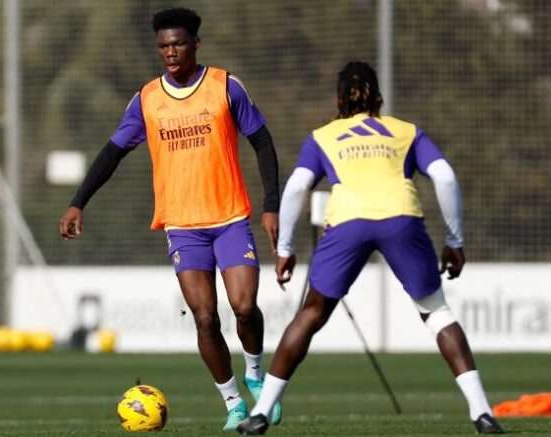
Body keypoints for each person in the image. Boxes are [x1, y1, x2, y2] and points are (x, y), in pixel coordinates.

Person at [236, 61, 504, 435]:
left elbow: (297, 187)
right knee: (437, 313)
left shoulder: (323, 136)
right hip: (402, 218)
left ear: (339, 98)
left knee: (311, 314)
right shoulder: (406, 131)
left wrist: (285, 248)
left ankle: (262, 413)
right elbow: (444, 175)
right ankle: (482, 413)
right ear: (378, 96)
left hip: (348, 222)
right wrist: (454, 240)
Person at [58, 7, 282, 431]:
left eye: (178, 43)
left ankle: (255, 371)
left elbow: (263, 141)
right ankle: (234, 402)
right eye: (163, 46)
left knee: (245, 306)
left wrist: (272, 204)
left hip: (230, 217)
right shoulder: (147, 99)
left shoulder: (225, 86)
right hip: (182, 224)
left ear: (196, 43)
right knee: (204, 316)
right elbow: (113, 153)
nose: (171, 52)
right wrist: (78, 201)